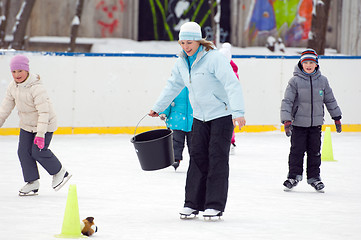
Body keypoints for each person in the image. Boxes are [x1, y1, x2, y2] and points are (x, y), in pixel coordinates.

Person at [148, 21, 246, 218]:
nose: (186, 47)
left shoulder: (214, 58)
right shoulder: (181, 62)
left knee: (217, 159)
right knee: (198, 158)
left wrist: (238, 111)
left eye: (189, 42)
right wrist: (157, 107)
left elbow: (232, 84)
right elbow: (172, 86)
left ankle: (214, 205)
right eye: (182, 43)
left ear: (199, 41)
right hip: (199, 117)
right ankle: (192, 203)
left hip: (221, 115)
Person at [0, 55, 72, 196]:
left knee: (38, 151)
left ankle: (59, 172)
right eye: (13, 72)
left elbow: (44, 113)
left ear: (27, 70)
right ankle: (32, 182)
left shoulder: (37, 88)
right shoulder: (13, 87)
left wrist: (40, 134)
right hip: (27, 125)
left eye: (20, 71)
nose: (17, 75)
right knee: (23, 152)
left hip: (45, 124)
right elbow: (5, 108)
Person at [280, 49, 342, 192]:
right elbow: (287, 101)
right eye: (306, 62)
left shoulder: (323, 81)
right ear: (301, 64)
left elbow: (330, 100)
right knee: (297, 151)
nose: (308, 65)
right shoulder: (294, 81)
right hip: (298, 124)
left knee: (315, 152)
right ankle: (293, 176)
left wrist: (336, 117)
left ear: (316, 64)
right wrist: (286, 120)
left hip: (315, 124)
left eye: (311, 62)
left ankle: (314, 178)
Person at [159, 87, 193, 170]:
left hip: (193, 119)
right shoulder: (175, 86)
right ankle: (175, 159)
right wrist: (163, 112)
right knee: (176, 141)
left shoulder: (195, 85)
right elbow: (167, 100)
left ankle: (196, 160)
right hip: (176, 119)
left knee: (194, 142)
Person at [219, 42, 239, 154]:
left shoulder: (232, 72)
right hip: (219, 102)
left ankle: (230, 142)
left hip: (228, 102)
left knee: (229, 123)